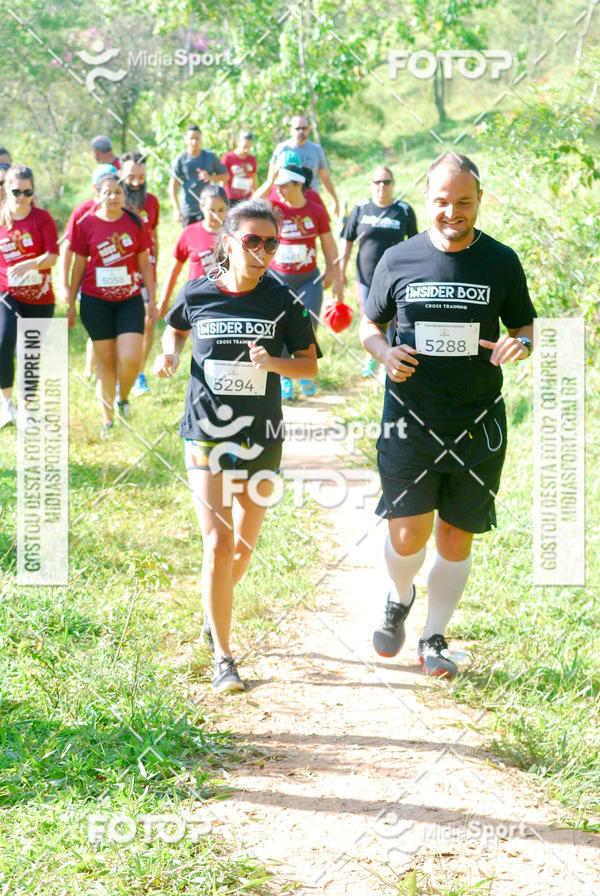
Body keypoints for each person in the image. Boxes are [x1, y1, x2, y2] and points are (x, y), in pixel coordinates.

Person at [360, 152, 536, 678]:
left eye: (464, 202)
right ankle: (399, 595)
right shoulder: (399, 258)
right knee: (407, 536)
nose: (452, 212)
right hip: (409, 421)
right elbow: (370, 326)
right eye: (442, 201)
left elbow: (525, 326)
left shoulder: (500, 261)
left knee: (456, 537)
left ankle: (433, 637)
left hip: (477, 423)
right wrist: (384, 353)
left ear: (480, 200)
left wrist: (521, 345)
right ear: (427, 200)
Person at [154, 200, 320, 692]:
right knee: (219, 544)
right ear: (228, 242)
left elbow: (309, 365)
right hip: (206, 431)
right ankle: (224, 658)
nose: (263, 251)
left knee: (243, 551)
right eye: (252, 241)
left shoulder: (284, 300)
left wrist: (274, 364)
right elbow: (175, 327)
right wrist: (169, 353)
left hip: (261, 434)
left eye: (271, 242)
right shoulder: (198, 290)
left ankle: (213, 609)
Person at [68, 172, 157, 435]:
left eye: (118, 192)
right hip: (96, 301)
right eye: (107, 193)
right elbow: (79, 265)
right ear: (97, 196)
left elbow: (144, 262)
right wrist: (71, 302)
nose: (113, 197)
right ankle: (107, 419)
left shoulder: (134, 221)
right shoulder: (86, 223)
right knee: (105, 362)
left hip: (129, 299)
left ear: (124, 195)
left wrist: (152, 299)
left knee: (131, 357)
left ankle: (123, 396)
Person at [255, 163, 343, 399]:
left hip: (309, 281)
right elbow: (251, 205)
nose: (279, 189)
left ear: (298, 184)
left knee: (308, 326)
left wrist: (333, 273)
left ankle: (305, 374)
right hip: (278, 280)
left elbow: (329, 244)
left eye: (284, 185)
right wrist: (269, 179)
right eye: (277, 185)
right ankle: (285, 378)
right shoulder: (273, 207)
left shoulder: (316, 210)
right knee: (279, 328)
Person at [341, 166, 418, 375]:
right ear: (370, 184)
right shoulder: (361, 209)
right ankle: (373, 357)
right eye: (377, 182)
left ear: (393, 184)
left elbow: (414, 245)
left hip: (396, 279)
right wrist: (341, 271)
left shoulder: (403, 210)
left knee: (395, 321)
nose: (381, 186)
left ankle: (391, 361)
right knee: (371, 319)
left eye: (386, 182)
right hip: (366, 277)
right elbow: (347, 242)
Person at [0, 165, 59, 427]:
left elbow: (52, 256)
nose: (22, 197)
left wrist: (31, 264)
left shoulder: (42, 218)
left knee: (30, 351)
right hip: (6, 293)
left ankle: (26, 409)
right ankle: (7, 405)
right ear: (6, 189)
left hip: (39, 296)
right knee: (3, 342)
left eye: (28, 192)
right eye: (16, 191)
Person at [59, 164, 119, 379]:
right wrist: (64, 284)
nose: (112, 194)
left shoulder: (121, 207)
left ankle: (105, 372)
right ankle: (90, 370)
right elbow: (68, 248)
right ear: (96, 187)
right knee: (100, 329)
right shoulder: (82, 211)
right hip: (90, 282)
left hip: (120, 281)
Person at [119, 150, 160, 396]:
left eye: (141, 177)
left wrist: (155, 272)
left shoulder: (152, 202)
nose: (136, 182)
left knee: (148, 320)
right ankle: (118, 372)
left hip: (146, 271)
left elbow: (155, 236)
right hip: (119, 272)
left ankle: (138, 374)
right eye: (131, 177)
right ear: (120, 174)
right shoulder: (114, 201)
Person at [157, 183, 227, 318]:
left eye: (221, 210)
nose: (216, 215)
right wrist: (164, 301)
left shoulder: (233, 234)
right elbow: (174, 270)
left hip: (225, 301)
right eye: (211, 210)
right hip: (197, 300)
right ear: (201, 207)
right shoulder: (189, 232)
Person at [270, 114, 339, 216]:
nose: (301, 131)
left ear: (308, 129)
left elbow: (325, 178)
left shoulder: (316, 149)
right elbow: (272, 177)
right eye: (297, 128)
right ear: (291, 130)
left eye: (304, 128)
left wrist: (334, 200)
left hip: (310, 199)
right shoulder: (282, 149)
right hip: (287, 204)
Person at [169, 124, 227, 226]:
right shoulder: (181, 159)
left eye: (197, 138)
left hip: (208, 208)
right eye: (191, 138)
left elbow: (226, 176)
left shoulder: (210, 157)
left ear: (201, 139)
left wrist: (210, 177)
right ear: (186, 139)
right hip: (188, 209)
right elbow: (173, 185)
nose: (194, 142)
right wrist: (176, 209)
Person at [221, 131, 258, 205]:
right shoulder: (228, 157)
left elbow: (254, 179)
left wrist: (255, 197)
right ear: (238, 142)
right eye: (244, 147)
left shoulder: (252, 159)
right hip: (230, 198)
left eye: (249, 147)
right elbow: (223, 179)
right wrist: (221, 197)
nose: (246, 150)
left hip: (247, 199)